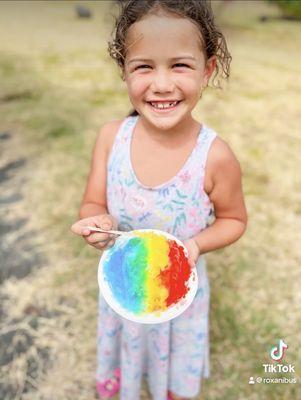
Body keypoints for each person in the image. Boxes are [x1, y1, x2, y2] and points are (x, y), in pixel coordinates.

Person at [71, 0, 248, 399]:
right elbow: (92, 202)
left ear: (208, 69)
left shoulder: (215, 157)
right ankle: (124, 375)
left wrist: (197, 244)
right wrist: (94, 222)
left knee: (174, 358)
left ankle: (172, 387)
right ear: (124, 71)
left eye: (180, 65)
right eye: (144, 66)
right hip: (126, 284)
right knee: (127, 342)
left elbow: (234, 220)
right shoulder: (110, 138)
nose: (162, 84)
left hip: (179, 293)